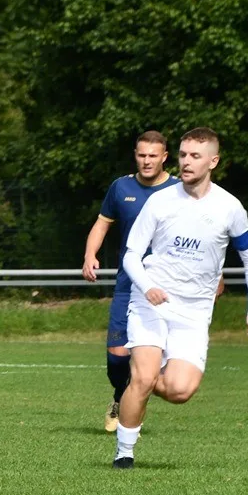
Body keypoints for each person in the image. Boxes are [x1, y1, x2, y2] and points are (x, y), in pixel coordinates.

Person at [113, 128, 248, 468]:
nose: (186, 162)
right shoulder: (160, 201)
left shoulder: (229, 207)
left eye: (195, 156)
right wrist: (147, 286)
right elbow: (132, 254)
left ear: (213, 161)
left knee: (180, 391)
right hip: (151, 302)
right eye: (182, 155)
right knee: (145, 377)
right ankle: (124, 453)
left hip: (194, 311)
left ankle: (139, 380)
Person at [82, 131, 177, 432]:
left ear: (164, 157)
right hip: (128, 285)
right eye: (141, 155)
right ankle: (120, 395)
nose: (147, 161)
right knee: (117, 357)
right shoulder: (120, 187)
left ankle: (134, 404)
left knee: (160, 361)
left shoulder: (179, 190)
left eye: (153, 156)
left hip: (169, 285)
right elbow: (101, 224)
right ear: (135, 155)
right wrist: (89, 254)